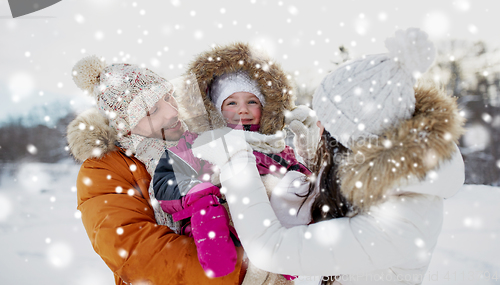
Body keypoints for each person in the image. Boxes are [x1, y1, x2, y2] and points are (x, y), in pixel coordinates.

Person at [191, 28, 466, 284]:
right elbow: (342, 185)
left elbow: (271, 248)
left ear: (346, 140)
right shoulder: (391, 175)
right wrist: (310, 145)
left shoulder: (401, 223)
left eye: (326, 125)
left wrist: (235, 159)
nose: (318, 126)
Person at [66, 56, 247, 285]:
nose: (172, 111)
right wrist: (243, 269)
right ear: (126, 125)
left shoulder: (199, 141)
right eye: (152, 109)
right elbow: (139, 255)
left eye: (169, 96)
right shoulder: (102, 170)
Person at [152, 42, 314, 285]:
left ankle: (286, 255)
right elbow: (165, 181)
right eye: (231, 103)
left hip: (268, 223)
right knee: (209, 207)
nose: (242, 111)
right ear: (216, 109)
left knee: (288, 190)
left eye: (252, 102)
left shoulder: (275, 144)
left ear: (266, 107)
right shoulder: (197, 143)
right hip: (218, 214)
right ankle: (217, 248)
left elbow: (302, 177)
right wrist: (196, 193)